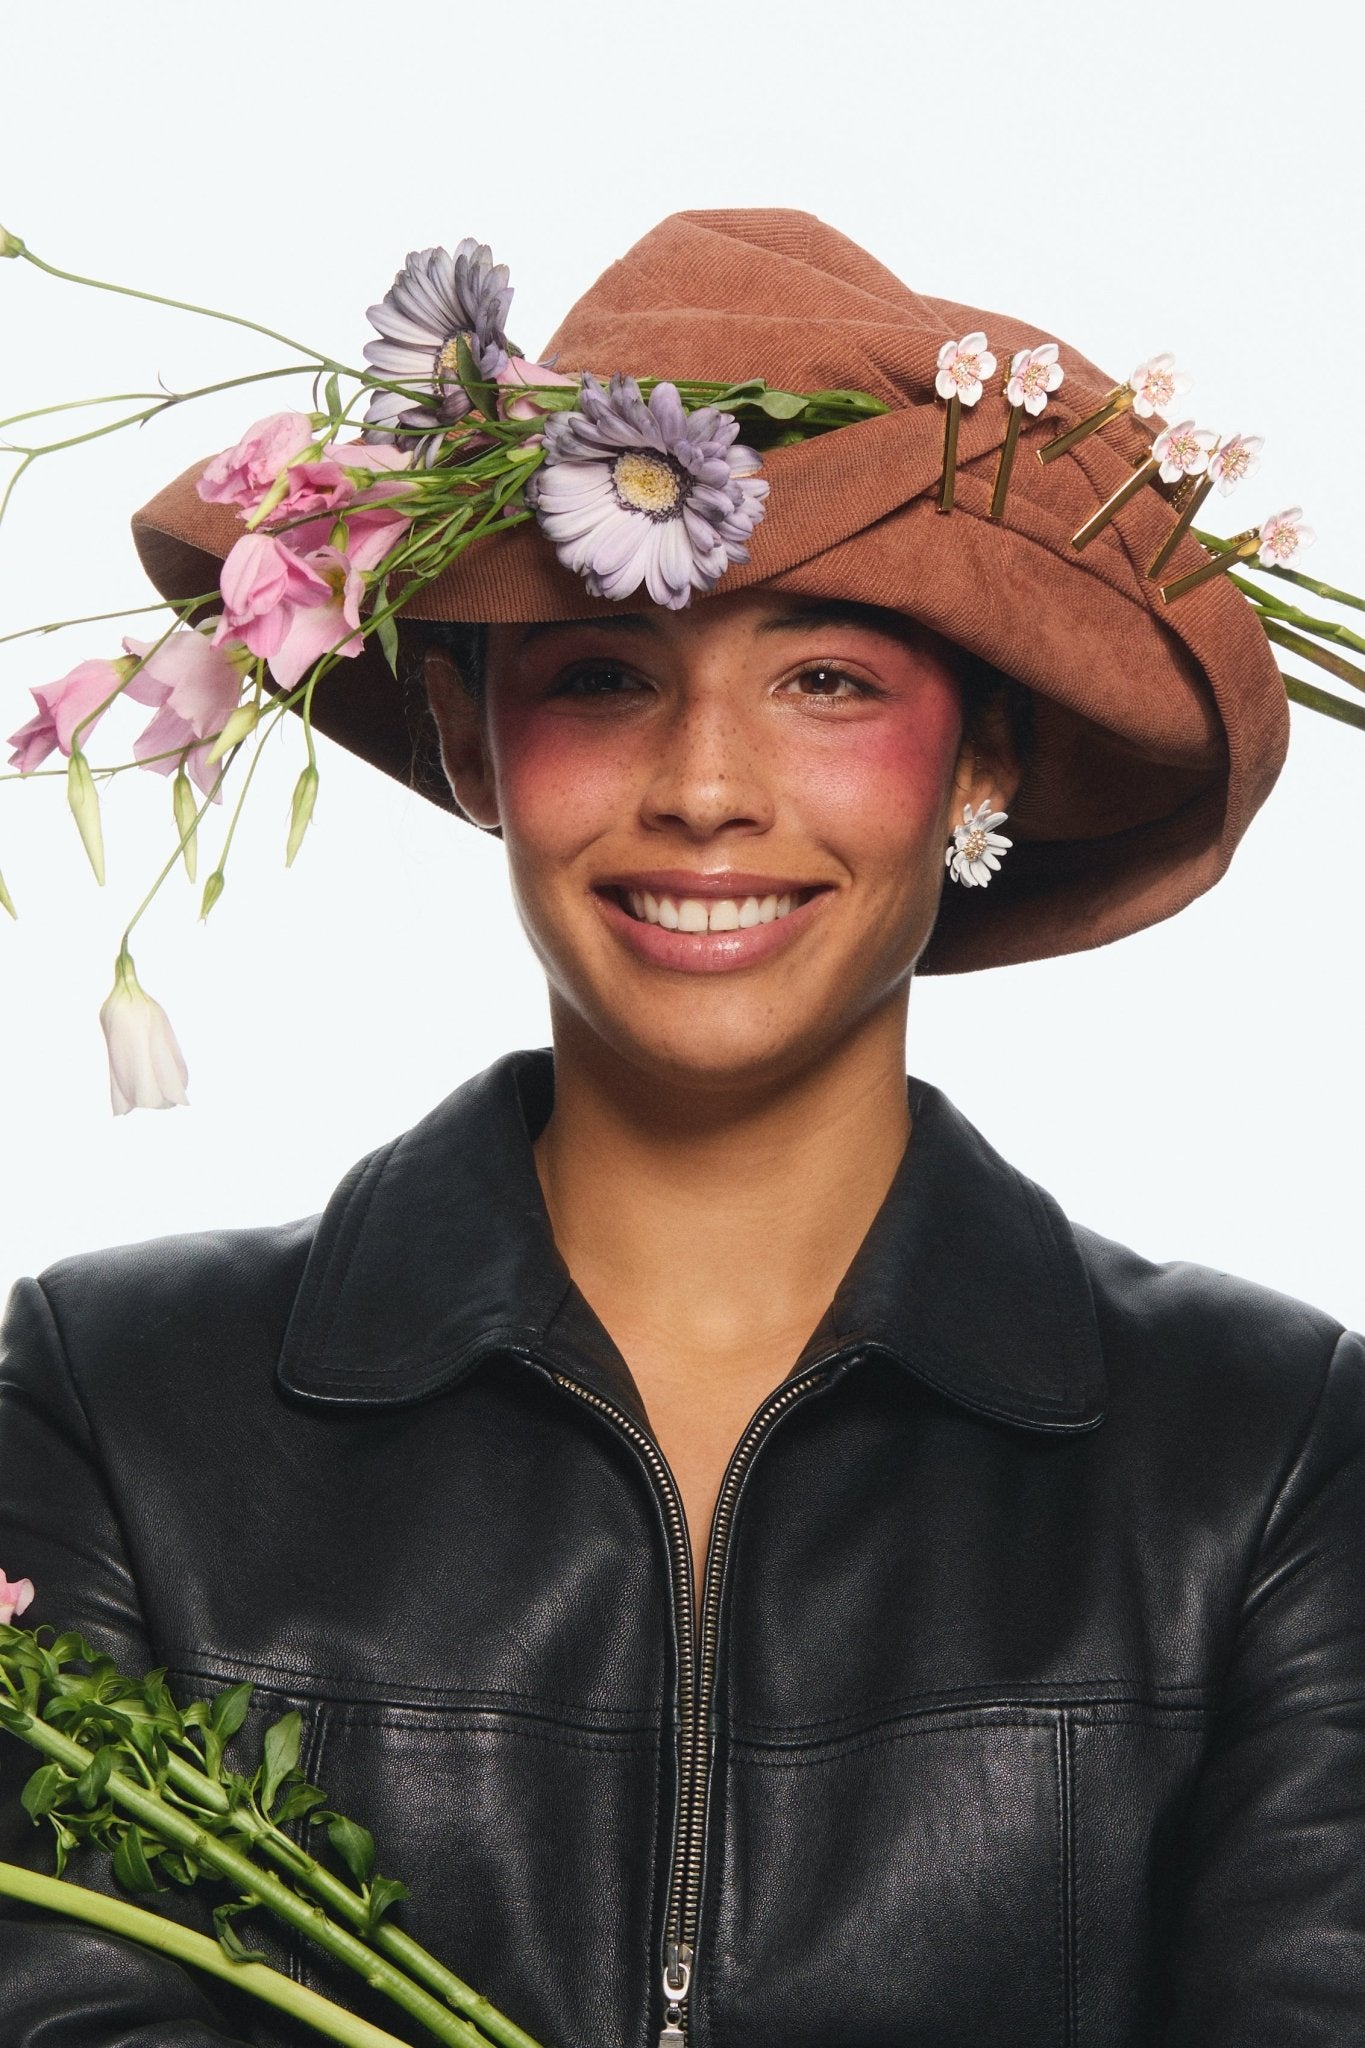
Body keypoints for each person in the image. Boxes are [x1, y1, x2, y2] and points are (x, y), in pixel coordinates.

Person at [1, 208, 1362, 2047]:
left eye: (826, 681)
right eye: (601, 677)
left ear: (982, 758)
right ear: (472, 741)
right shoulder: (114, 1404)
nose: (706, 789)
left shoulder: (1267, 1453)